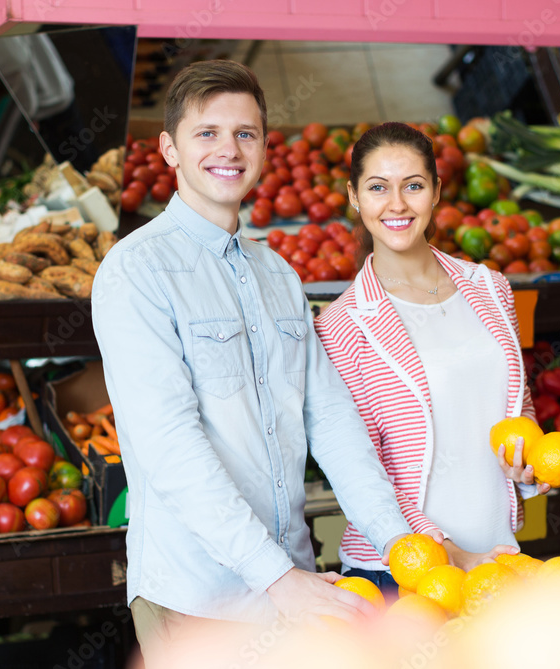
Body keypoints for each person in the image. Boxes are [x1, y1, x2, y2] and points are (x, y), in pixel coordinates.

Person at [90, 62, 417, 658]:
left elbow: (332, 418)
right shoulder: (135, 272)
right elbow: (170, 445)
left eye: (245, 133)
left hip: (293, 588)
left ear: (265, 147)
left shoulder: (278, 274)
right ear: (169, 148)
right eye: (206, 133)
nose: (229, 150)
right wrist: (274, 575)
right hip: (198, 597)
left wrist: (400, 543)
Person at [314, 122, 548, 586]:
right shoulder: (342, 326)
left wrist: (529, 465)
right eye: (378, 188)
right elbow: (362, 471)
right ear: (354, 196)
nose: (397, 204)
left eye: (413, 186)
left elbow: (516, 408)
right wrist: (448, 553)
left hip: (500, 558)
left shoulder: (491, 288)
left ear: (437, 191)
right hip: (405, 571)